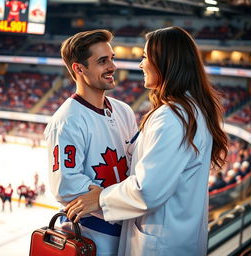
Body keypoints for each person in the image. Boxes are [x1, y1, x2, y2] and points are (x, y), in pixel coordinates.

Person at [65, 26, 228, 256]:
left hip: (160, 245)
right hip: (176, 235)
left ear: (165, 62)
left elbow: (147, 191)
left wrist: (100, 198)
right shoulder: (188, 110)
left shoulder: (173, 117)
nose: (141, 64)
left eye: (144, 57)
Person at [44, 29, 137, 255]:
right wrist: (118, 202)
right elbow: (66, 186)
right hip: (93, 237)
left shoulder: (124, 110)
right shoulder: (67, 120)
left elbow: (138, 164)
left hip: (130, 232)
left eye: (112, 59)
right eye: (102, 61)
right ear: (79, 68)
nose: (113, 67)